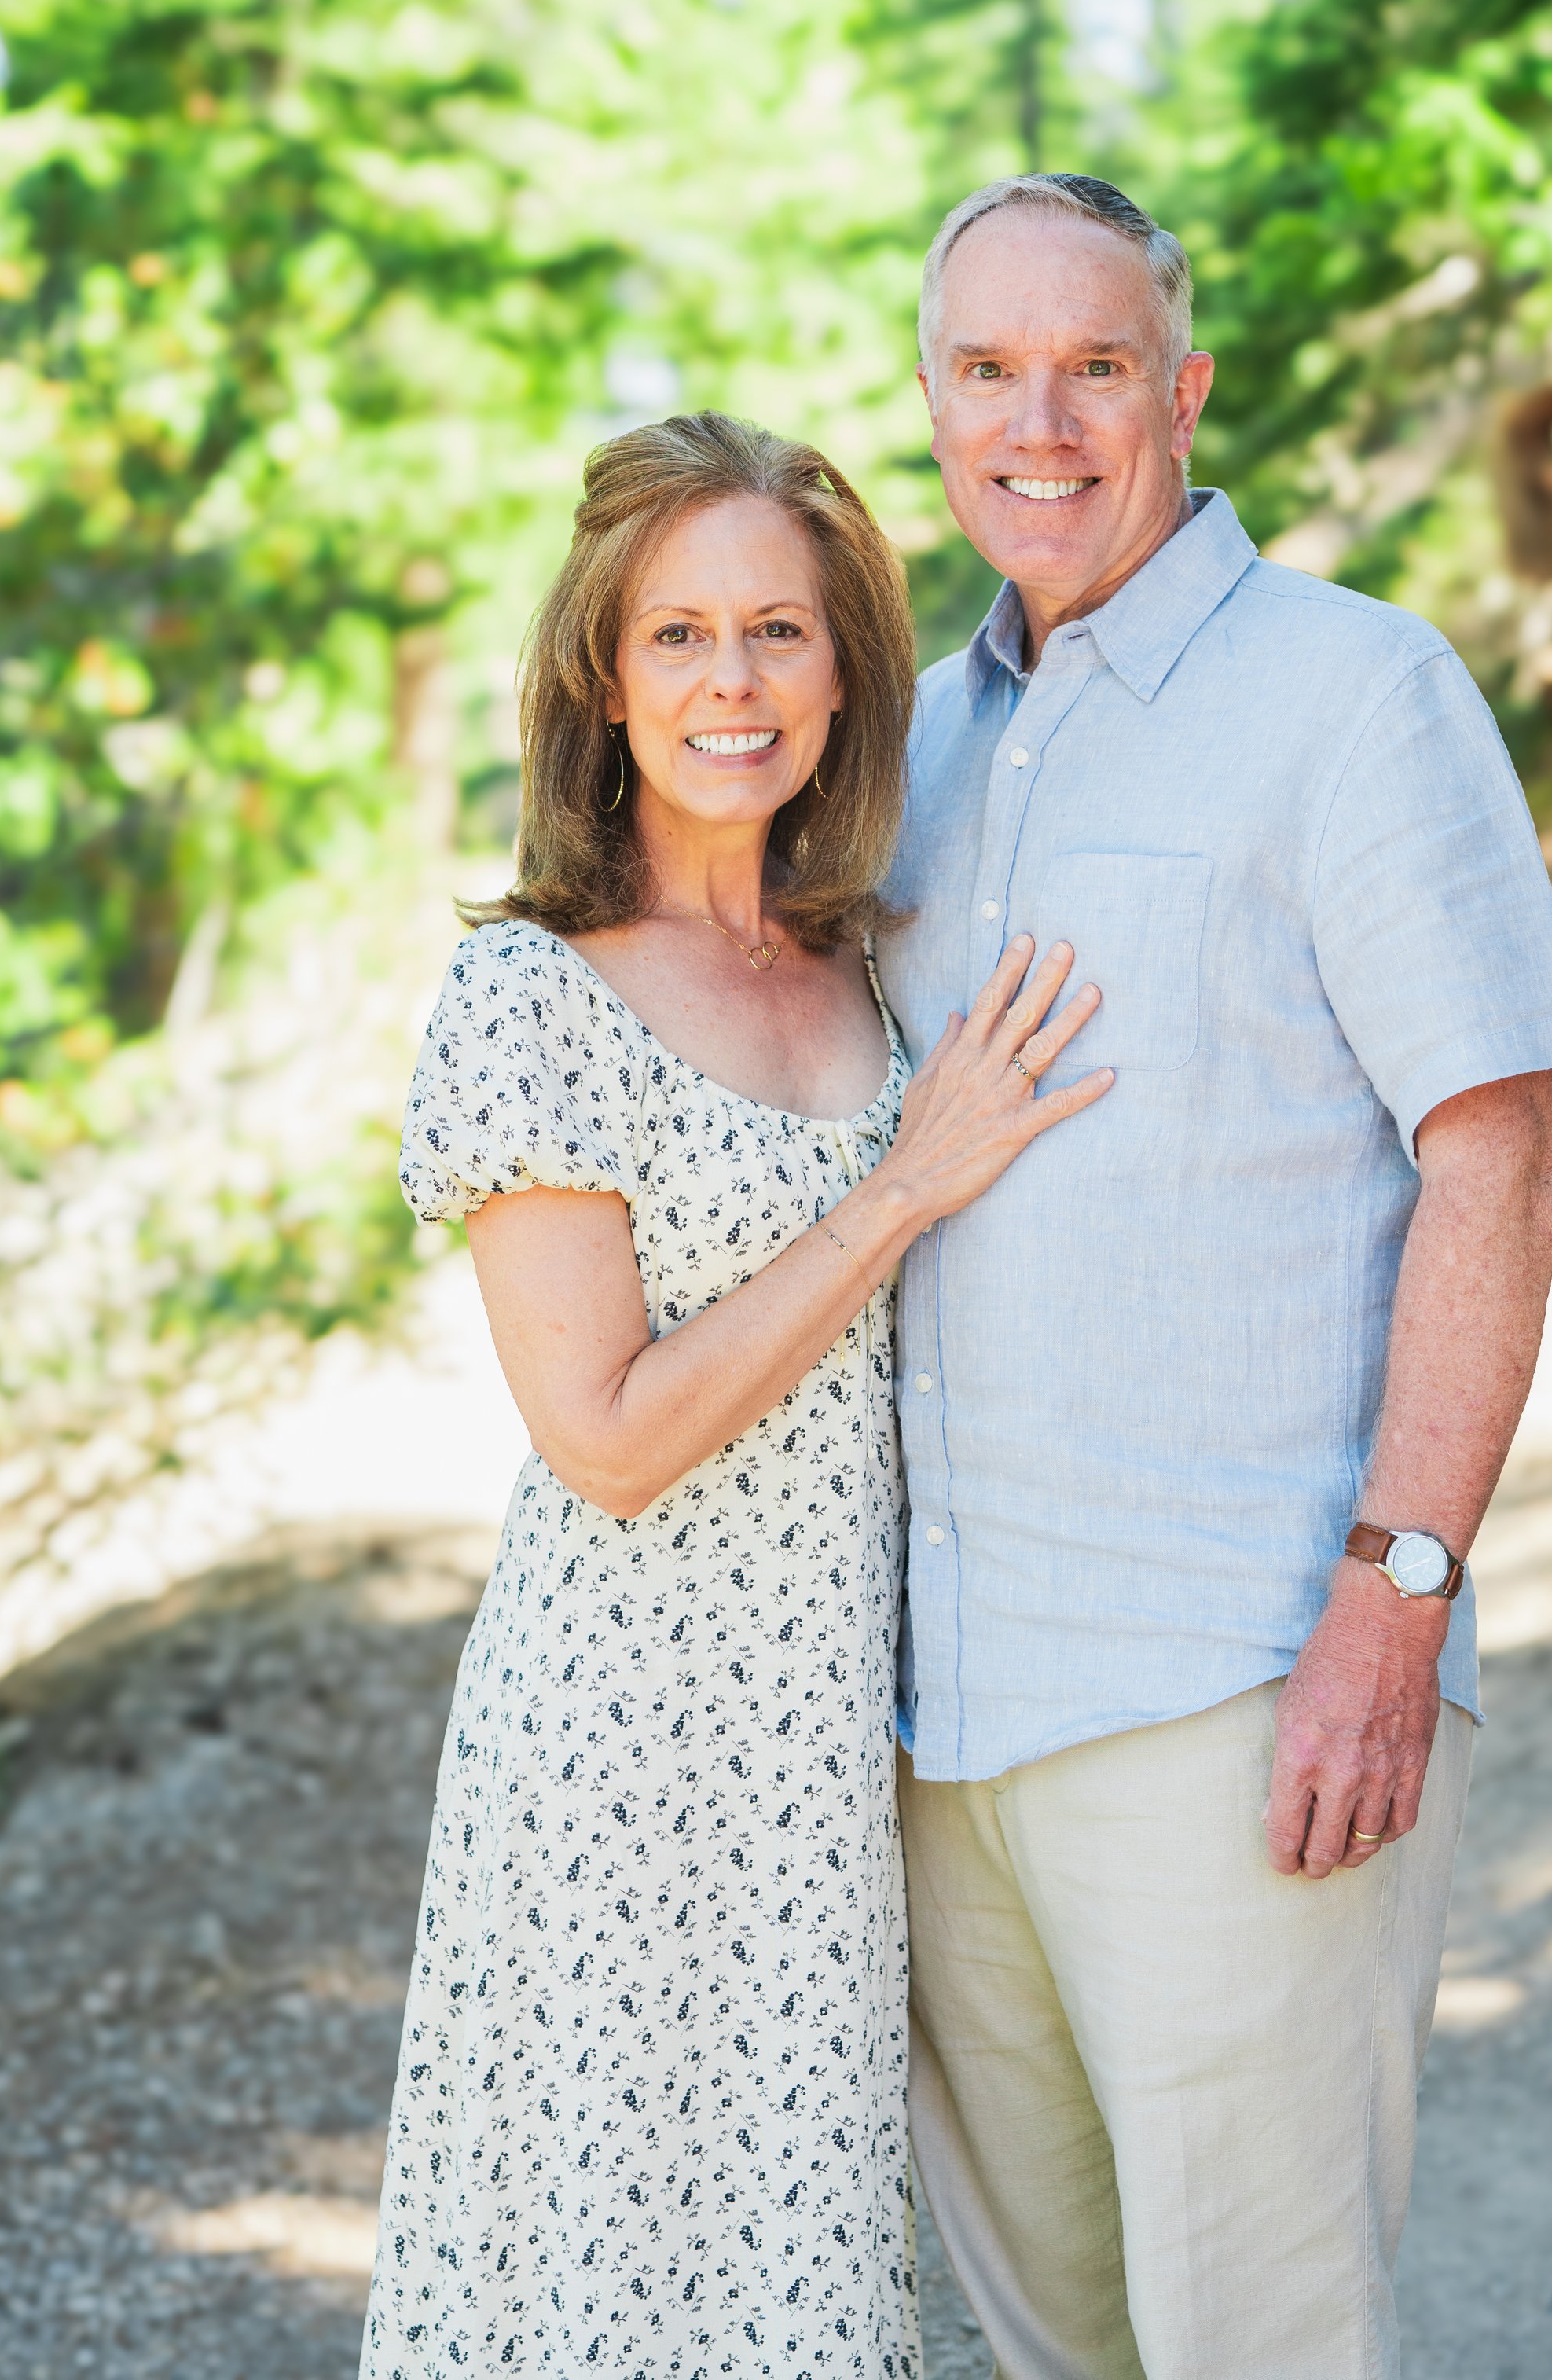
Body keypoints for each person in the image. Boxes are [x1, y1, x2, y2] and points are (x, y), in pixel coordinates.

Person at [876, 176, 1552, 2379]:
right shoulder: (904, 746)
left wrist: (1394, 1600)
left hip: (1228, 1690)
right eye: (985, 370)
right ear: (929, 409)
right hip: (930, 1722)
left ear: (1179, 389)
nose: (1041, 420)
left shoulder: (1355, 691)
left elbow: (1498, 1156)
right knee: (1057, 2354)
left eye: (1093, 365)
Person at [361, 410, 1110, 2380]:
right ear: (604, 679)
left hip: (824, 1757)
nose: (729, 682)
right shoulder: (530, 998)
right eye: (678, 636)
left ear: (845, 664)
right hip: (618, 1752)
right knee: (603, 2281)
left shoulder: (868, 969)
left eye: (776, 630)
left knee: (793, 2286)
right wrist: (899, 1188)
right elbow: (600, 1437)